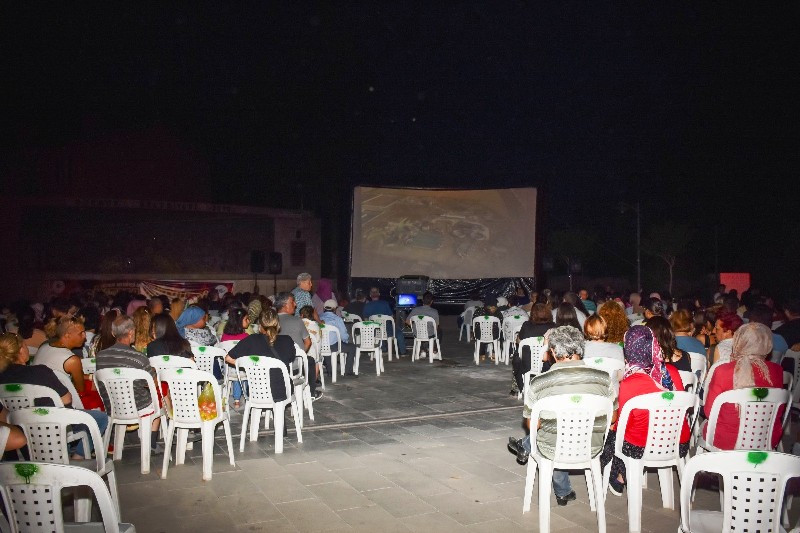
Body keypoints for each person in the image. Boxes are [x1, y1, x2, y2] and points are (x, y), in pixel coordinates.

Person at [507, 326, 615, 506]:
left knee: (552, 435)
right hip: (591, 446)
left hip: (554, 447)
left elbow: (532, 424)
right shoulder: (604, 378)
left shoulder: (540, 382)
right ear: (581, 349)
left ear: (553, 353)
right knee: (559, 433)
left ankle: (562, 490)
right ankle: (563, 492)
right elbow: (612, 418)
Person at [600, 325, 688, 496]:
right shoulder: (671, 372)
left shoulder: (630, 382)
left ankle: (618, 476)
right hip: (678, 442)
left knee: (608, 436)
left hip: (643, 447)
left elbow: (620, 424)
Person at [0, 332, 108, 460]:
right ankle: (77, 458)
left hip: (21, 428)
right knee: (100, 418)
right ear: (22, 350)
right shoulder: (39, 371)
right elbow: (66, 399)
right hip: (53, 425)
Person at [701, 322, 784, 450]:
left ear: (738, 341)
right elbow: (779, 410)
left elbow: (709, 412)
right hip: (765, 438)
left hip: (725, 440)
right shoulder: (777, 371)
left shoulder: (723, 371)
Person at [96, 315, 164, 454]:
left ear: (114, 333)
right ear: (131, 332)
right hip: (138, 406)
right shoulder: (139, 358)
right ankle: (151, 443)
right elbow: (153, 383)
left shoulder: (101, 357)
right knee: (160, 399)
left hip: (113, 405)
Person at [225, 308, 297, 403]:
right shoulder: (287, 340)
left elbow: (228, 358)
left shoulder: (251, 340)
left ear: (260, 324)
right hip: (282, 391)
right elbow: (291, 358)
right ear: (278, 324)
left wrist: (247, 366)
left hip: (256, 391)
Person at [33, 315, 101, 409]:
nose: (84, 336)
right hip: (61, 403)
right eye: (81, 333)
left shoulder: (44, 346)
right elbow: (81, 391)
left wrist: (89, 377)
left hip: (39, 396)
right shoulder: (71, 360)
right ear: (67, 335)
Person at [274, 292, 320, 400]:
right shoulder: (297, 321)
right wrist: (300, 355)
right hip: (293, 366)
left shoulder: (270, 320)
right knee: (310, 360)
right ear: (285, 305)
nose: (295, 304)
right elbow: (308, 342)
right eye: (292, 302)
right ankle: (311, 393)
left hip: (274, 365)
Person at [512, 303, 555, 394]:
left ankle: (520, 387)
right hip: (547, 363)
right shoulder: (553, 326)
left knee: (517, 355)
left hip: (527, 363)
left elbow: (519, 341)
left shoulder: (526, 325)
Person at [319, 299, 357, 377]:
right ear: (335, 309)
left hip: (320, 345)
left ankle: (330, 371)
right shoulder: (337, 319)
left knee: (326, 344)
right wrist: (345, 342)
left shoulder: (319, 317)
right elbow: (343, 335)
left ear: (324, 308)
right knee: (352, 347)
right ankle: (348, 372)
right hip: (333, 346)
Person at [362, 287, 406, 355]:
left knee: (379, 331)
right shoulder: (385, 304)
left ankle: (383, 349)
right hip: (386, 331)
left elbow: (366, 320)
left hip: (374, 332)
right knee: (399, 332)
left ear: (370, 295)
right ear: (379, 294)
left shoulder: (367, 306)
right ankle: (403, 352)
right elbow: (391, 318)